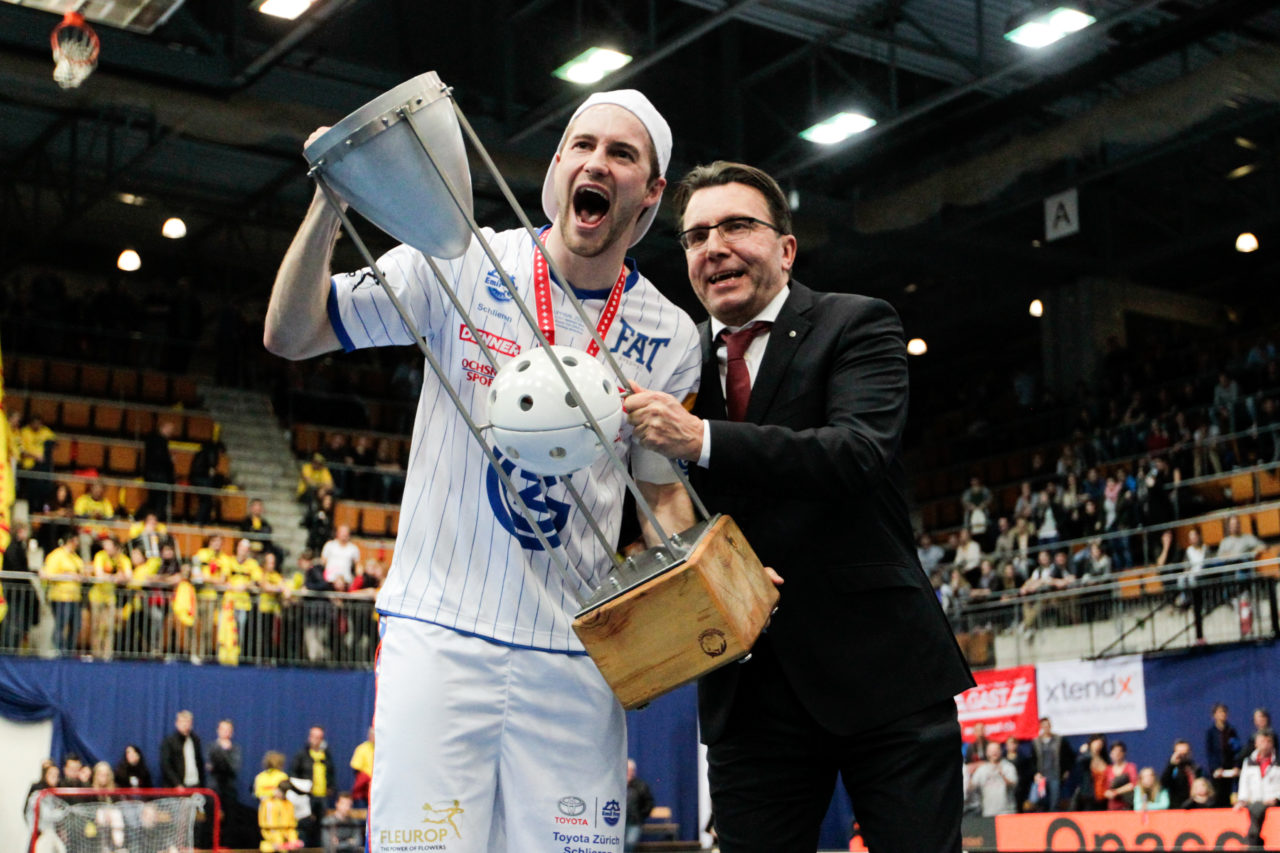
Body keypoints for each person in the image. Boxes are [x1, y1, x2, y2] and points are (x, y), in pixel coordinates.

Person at [264, 88, 698, 853]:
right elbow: (292, 333)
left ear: (651, 192)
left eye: (622, 154)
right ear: (557, 165)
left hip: (576, 655)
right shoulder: (458, 259)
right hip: (439, 636)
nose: (598, 162)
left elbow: (661, 495)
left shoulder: (670, 334)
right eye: (583, 145)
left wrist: (687, 582)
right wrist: (331, 201)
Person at [623, 160, 973, 852]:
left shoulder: (857, 322)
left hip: (883, 674)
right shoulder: (674, 363)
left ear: (786, 248)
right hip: (747, 692)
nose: (714, 246)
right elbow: (657, 499)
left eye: (736, 226)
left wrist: (702, 438)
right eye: (696, 235)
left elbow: (857, 452)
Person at [289, 725, 334, 848]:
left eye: (319, 737)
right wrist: (302, 790)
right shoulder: (301, 755)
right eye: (314, 737)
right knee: (305, 825)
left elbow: (331, 773)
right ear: (309, 738)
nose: (316, 740)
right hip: (306, 798)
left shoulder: (326, 756)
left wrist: (331, 787)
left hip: (322, 797)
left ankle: (319, 848)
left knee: (321, 826)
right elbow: (293, 775)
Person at [1235, 728, 1280, 848]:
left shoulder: (1278, 762)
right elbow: (1244, 782)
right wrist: (1242, 799)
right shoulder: (1249, 761)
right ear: (1256, 743)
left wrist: (1276, 798)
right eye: (1262, 741)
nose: (1265, 744)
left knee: (1258, 808)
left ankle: (1253, 835)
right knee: (1256, 807)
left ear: (1272, 744)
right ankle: (1255, 836)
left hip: (1273, 801)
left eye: (1268, 741)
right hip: (1253, 802)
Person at [40, 536, 84, 653]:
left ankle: (69, 650)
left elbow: (81, 571)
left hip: (74, 597)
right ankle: (59, 649)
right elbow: (48, 574)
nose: (77, 544)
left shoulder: (75, 557)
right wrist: (67, 574)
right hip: (60, 596)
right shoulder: (56, 555)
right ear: (69, 541)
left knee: (76, 625)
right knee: (61, 624)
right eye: (75, 541)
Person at [1032, 717, 1073, 812]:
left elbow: (1068, 756)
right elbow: (1033, 759)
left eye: (1048, 725)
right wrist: (1035, 773)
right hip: (1042, 776)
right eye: (1044, 726)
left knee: (1055, 800)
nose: (1046, 728)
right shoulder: (1036, 742)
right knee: (1042, 800)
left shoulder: (1059, 740)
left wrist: (1066, 770)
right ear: (1041, 727)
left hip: (1055, 775)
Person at [1206, 702, 1243, 806]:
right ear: (1214, 715)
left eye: (1224, 712)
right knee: (1218, 795)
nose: (1222, 714)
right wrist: (1215, 768)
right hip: (1217, 771)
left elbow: (1237, 750)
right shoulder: (1211, 732)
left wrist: (1236, 766)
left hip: (1230, 769)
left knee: (1230, 794)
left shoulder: (1231, 731)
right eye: (1220, 712)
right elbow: (1210, 752)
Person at [967, 741, 1018, 817]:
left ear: (1000, 751)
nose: (994, 753)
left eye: (996, 750)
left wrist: (1003, 776)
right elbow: (971, 788)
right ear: (987, 753)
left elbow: (1014, 785)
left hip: (1007, 812)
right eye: (991, 751)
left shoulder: (1008, 767)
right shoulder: (982, 770)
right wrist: (969, 774)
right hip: (988, 813)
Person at [159, 709, 206, 789]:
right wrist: (177, 783)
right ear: (177, 723)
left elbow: (199, 763)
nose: (185, 724)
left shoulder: (195, 740)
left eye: (188, 722)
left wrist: (201, 783)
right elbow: (166, 765)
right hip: (177, 787)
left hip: (195, 784)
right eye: (182, 722)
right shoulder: (169, 741)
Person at [259, 779, 304, 852]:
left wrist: (293, 840)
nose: (281, 794)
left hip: (285, 840)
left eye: (284, 792)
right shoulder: (268, 803)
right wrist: (275, 840)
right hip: (271, 840)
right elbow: (266, 827)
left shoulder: (289, 804)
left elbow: (291, 826)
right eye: (280, 791)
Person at [1160, 739, 1201, 808]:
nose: (1183, 756)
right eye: (1180, 754)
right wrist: (1171, 765)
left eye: (1185, 753)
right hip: (1178, 807)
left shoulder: (1196, 768)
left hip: (1195, 807)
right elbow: (1164, 783)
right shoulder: (1172, 769)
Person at [624, 758, 654, 852]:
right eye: (627, 770)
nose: (629, 772)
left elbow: (649, 803)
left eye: (630, 770)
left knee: (630, 842)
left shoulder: (641, 786)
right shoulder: (617, 785)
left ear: (634, 772)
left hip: (635, 822)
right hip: (618, 822)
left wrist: (641, 815)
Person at [1103, 741, 1138, 810]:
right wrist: (1106, 793)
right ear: (1110, 754)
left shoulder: (1130, 767)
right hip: (1112, 807)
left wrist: (1116, 792)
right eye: (1114, 752)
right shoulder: (1108, 769)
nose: (1117, 754)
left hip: (1127, 806)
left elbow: (1134, 784)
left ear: (1124, 753)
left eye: (1119, 752)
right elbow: (1104, 787)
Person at [348, 726, 373, 807]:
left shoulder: (383, 749)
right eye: (371, 735)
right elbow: (356, 768)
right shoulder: (362, 748)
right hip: (365, 786)